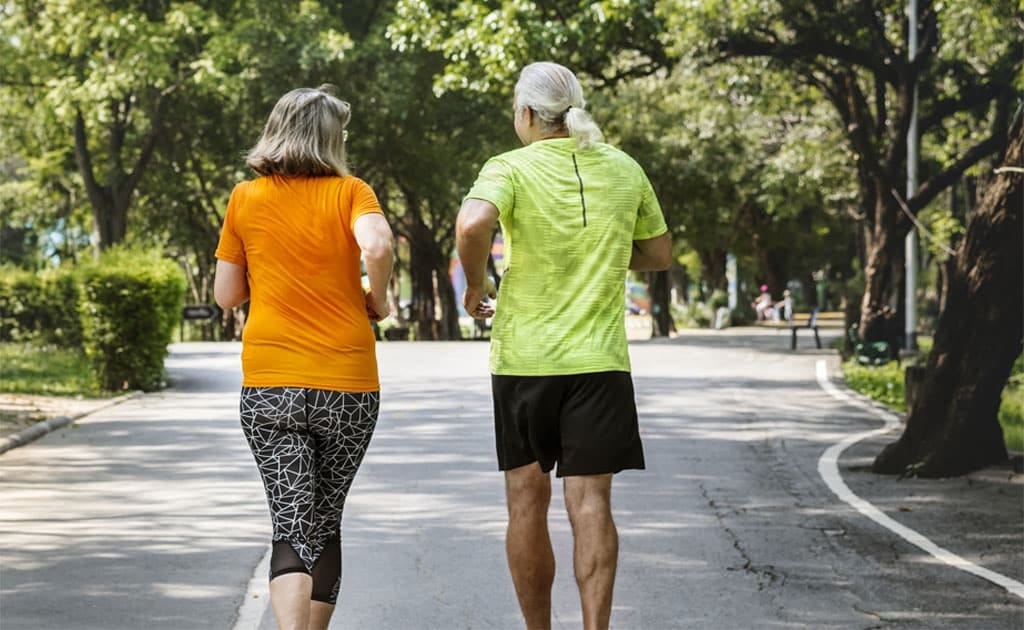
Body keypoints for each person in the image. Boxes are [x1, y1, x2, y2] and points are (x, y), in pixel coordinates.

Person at [456, 62, 671, 630]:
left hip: (524, 362)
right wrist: (598, 255)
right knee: (592, 504)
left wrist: (477, 287)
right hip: (599, 364)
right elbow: (659, 254)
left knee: (527, 501)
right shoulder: (624, 168)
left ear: (526, 114)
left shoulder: (508, 167)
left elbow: (473, 224)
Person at [213, 84, 393, 630]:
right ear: (329, 139)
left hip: (271, 386)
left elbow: (225, 295)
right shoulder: (351, 192)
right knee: (325, 519)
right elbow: (379, 246)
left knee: (292, 523)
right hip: (347, 385)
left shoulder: (246, 197)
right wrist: (377, 300)